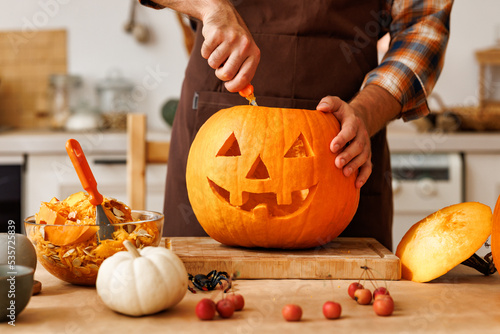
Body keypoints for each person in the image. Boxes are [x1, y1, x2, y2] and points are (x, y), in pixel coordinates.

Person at [140, 0, 453, 250]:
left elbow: (422, 26)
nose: (259, 175)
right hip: (217, 114)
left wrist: (365, 113)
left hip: (342, 138)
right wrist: (211, 7)